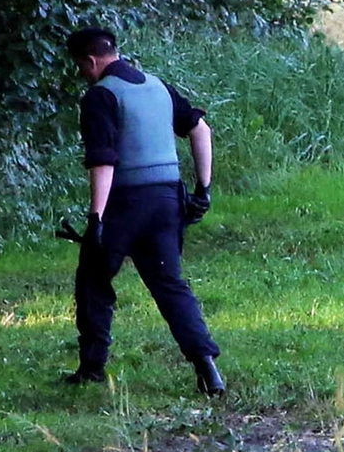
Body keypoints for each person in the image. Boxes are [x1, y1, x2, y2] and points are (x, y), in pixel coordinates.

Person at [64, 26, 224, 395]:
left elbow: (103, 161)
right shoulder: (158, 86)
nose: (81, 75)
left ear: (90, 61)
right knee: (170, 284)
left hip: (126, 201)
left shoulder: (100, 96)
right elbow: (201, 130)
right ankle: (207, 368)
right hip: (168, 199)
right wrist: (203, 189)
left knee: (93, 277)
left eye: (80, 67)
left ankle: (91, 369)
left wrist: (96, 220)